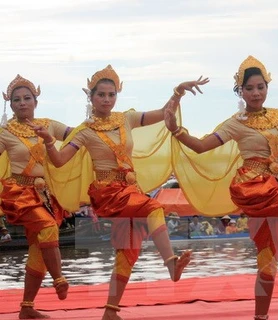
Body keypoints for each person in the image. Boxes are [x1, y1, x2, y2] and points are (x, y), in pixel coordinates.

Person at [163, 55, 278, 320]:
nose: (256, 93)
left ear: (267, 88)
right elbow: (202, 147)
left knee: (267, 260)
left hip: (276, 186)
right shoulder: (236, 122)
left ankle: (261, 317)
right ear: (241, 91)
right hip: (252, 185)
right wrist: (176, 130)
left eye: (260, 87)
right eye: (249, 88)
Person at [29, 65, 209, 320]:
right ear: (90, 97)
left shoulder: (128, 118)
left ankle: (110, 312)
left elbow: (164, 112)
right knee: (153, 207)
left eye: (111, 94)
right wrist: (48, 142)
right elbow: (59, 161)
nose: (106, 100)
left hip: (130, 190)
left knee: (129, 249)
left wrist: (178, 92)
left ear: (117, 95)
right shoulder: (85, 130)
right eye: (100, 94)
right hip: (108, 192)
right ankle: (170, 263)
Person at [0, 75, 71, 319]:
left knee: (38, 250)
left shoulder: (48, 125)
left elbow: (78, 137)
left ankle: (26, 308)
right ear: (10, 105)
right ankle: (59, 278)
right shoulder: (5, 132)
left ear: (35, 102)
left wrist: (99, 117)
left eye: (27, 98)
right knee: (48, 227)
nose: (22, 103)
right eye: (16, 100)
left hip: (47, 194)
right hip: (20, 193)